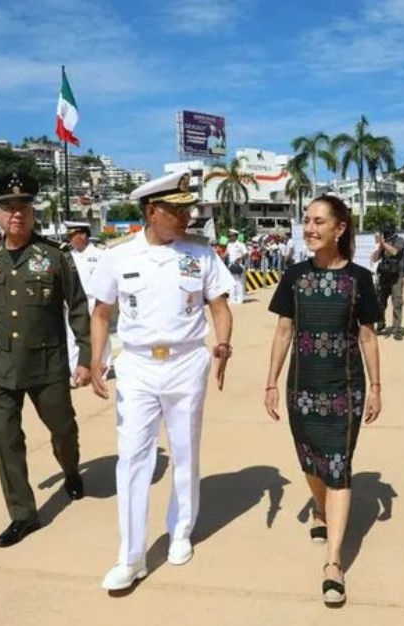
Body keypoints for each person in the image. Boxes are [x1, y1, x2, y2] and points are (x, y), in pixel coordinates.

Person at [89, 171, 235, 591]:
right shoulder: (119, 256)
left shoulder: (201, 255)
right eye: (177, 210)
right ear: (152, 212)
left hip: (187, 361)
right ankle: (131, 556)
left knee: (186, 451)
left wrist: (223, 345)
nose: (186, 216)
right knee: (133, 457)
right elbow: (101, 313)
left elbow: (220, 307)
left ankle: (181, 531)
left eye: (188, 209)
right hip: (135, 365)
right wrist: (97, 359)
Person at [0, 171, 92, 548]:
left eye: (23, 207)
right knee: (6, 442)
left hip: (46, 366)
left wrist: (85, 356)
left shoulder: (53, 257)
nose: (16, 213)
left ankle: (71, 471)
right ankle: (23, 515)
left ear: (33, 212)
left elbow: (78, 308)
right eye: (7, 208)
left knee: (63, 430)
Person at [264, 194, 382, 605]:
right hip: (302, 387)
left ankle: (333, 562)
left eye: (318, 221)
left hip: (345, 389)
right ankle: (319, 507)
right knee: (311, 460)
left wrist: (377, 387)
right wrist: (272, 382)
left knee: (338, 465)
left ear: (340, 227)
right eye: (307, 221)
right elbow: (283, 331)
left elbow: (368, 336)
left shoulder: (360, 279)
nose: (310, 229)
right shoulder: (294, 276)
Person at [63, 221, 112, 381]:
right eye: (69, 236)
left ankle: (102, 369)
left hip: (95, 301)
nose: (70, 239)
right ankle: (75, 372)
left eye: (73, 235)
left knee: (100, 335)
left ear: (83, 235)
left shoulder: (101, 254)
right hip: (73, 302)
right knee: (73, 336)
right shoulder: (67, 257)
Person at [370, 224, 404, 340]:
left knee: (397, 302)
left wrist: (383, 244)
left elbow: (394, 252)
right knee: (380, 301)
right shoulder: (383, 243)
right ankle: (381, 323)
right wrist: (379, 247)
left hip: (396, 276)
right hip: (384, 276)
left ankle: (397, 329)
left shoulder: (399, 241)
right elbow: (375, 258)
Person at [225, 228, 249, 304]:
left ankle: (239, 299)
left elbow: (246, 253)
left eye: (232, 236)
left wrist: (240, 258)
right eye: (229, 236)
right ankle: (232, 299)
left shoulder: (240, 244)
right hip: (230, 265)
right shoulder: (228, 244)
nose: (230, 237)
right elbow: (227, 254)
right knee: (231, 282)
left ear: (235, 236)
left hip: (238, 265)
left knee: (238, 282)